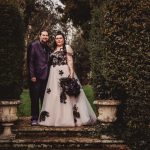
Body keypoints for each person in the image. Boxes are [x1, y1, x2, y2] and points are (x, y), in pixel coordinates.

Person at [38, 31, 97, 127]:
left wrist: (71, 73)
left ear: (63, 39)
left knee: (68, 94)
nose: (58, 40)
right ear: (55, 40)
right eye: (57, 38)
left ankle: (72, 118)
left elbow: (70, 61)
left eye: (60, 38)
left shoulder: (67, 47)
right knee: (55, 95)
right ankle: (57, 118)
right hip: (54, 75)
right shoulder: (53, 49)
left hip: (64, 73)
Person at [27, 30, 51, 125]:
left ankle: (44, 117)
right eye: (43, 35)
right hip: (36, 77)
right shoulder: (34, 45)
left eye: (46, 35)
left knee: (44, 98)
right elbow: (30, 61)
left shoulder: (48, 48)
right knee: (35, 98)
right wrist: (32, 75)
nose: (45, 37)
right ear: (39, 36)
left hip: (46, 77)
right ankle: (34, 118)